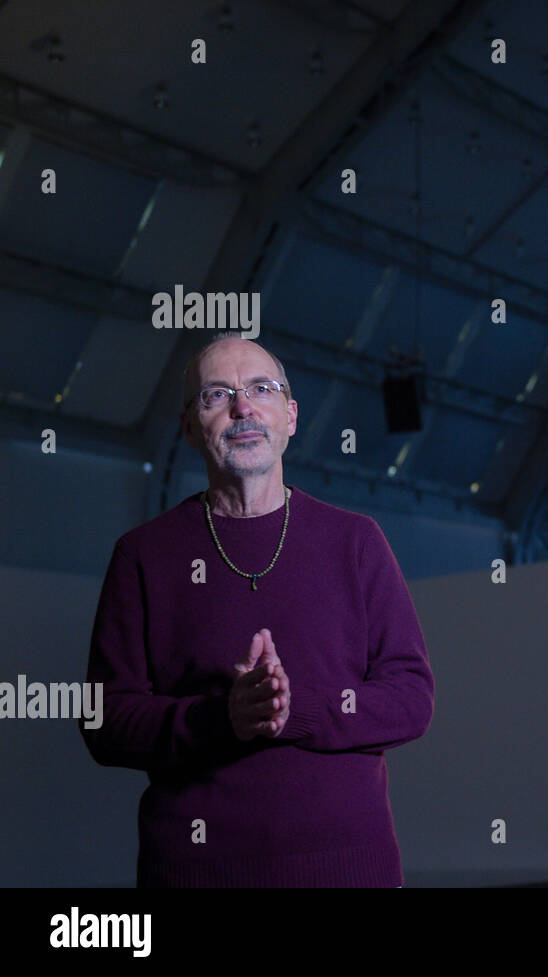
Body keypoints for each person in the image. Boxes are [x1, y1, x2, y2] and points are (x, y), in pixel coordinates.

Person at [82, 334, 435, 886]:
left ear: (290, 416)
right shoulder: (143, 555)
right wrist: (224, 717)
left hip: (347, 872)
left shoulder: (356, 541)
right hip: (196, 874)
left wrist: (296, 711)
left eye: (260, 389)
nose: (242, 407)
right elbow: (103, 720)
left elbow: (411, 699)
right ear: (190, 428)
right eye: (216, 395)